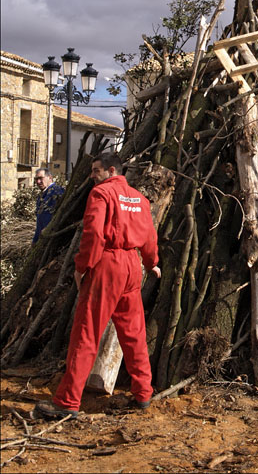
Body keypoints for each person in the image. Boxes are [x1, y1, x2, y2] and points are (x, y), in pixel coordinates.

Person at [34, 153, 161, 420]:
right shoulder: (139, 199)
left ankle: (67, 401)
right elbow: (149, 236)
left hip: (107, 264)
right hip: (132, 266)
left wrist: (82, 268)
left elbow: (93, 234)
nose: (91, 176)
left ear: (110, 170)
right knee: (134, 334)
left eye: (95, 171)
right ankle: (143, 393)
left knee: (86, 333)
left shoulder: (102, 194)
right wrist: (151, 263)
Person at [33, 168, 65, 244]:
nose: (38, 182)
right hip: (43, 240)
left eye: (41, 178)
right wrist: (35, 241)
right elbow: (39, 222)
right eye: (36, 179)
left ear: (50, 178)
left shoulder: (57, 192)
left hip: (53, 240)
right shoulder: (41, 196)